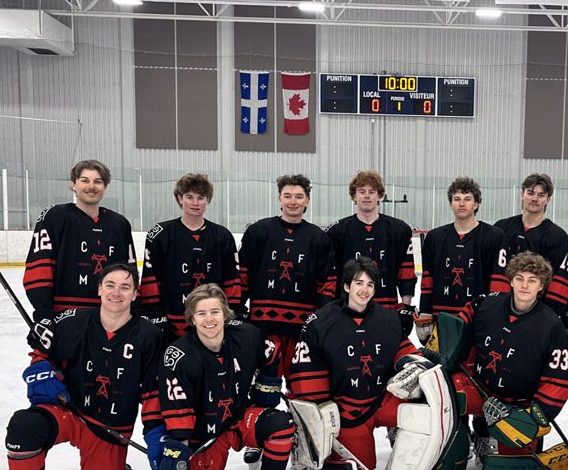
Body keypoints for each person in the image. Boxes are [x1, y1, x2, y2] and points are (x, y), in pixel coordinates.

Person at [3, 263, 163, 470]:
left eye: (125, 287)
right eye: (110, 285)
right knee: (24, 427)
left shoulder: (149, 335)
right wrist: (40, 368)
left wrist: (156, 434)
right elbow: (41, 352)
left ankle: (116, 468)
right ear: (99, 289)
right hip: (70, 413)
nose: (116, 292)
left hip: (109, 429)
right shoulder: (71, 321)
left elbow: (153, 391)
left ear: (135, 294)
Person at [289, 256, 454, 470]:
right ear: (346, 286)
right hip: (346, 412)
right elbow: (305, 371)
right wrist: (320, 414)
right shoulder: (320, 322)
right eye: (358, 283)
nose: (364, 290)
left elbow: (404, 349)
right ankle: (312, 452)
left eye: (369, 285)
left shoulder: (388, 319)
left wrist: (413, 364)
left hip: (380, 398)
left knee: (426, 413)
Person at [154, 284, 296, 470]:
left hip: (239, 419)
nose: (209, 319)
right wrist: (179, 443)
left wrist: (267, 388)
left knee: (281, 424)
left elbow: (271, 352)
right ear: (192, 319)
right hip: (204, 435)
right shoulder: (178, 355)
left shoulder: (247, 335)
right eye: (201, 313)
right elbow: (177, 404)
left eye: (215, 312)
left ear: (225, 314)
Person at [436, 252, 568, 470]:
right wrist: (439, 344)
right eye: (519, 278)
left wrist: (534, 417)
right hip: (481, 392)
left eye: (532, 280)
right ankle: (456, 459)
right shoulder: (487, 304)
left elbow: (559, 380)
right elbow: (458, 326)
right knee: (446, 394)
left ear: (541, 286)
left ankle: (509, 449)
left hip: (517, 408)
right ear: (511, 280)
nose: (524, 285)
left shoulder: (552, 325)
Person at [238, 173, 336, 379]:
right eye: (288, 196)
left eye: (299, 196)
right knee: (265, 386)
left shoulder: (319, 238)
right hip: (263, 325)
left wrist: (320, 319)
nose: (293, 201)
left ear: (307, 201)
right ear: (279, 199)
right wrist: (237, 310)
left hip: (302, 329)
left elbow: (327, 282)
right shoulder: (258, 231)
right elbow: (243, 274)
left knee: (301, 386)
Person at [23, 160, 136, 323]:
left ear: (105, 187)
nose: (92, 186)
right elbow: (39, 268)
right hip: (65, 316)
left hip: (111, 316)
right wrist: (44, 312)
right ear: (74, 185)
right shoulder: (55, 217)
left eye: (98, 181)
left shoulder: (120, 224)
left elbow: (129, 272)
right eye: (85, 180)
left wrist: (134, 310)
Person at [139, 173, 241, 343]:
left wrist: (231, 313)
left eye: (201, 198)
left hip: (211, 323)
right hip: (171, 322)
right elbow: (150, 278)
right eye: (189, 197)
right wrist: (156, 315)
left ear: (208, 200)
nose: (195, 203)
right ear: (180, 198)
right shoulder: (159, 234)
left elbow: (232, 279)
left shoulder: (222, 236)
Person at [416, 176, 509, 344]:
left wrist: (494, 315)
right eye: (456, 199)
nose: (461, 203)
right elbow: (427, 279)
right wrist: (425, 311)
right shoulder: (435, 237)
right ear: (450, 203)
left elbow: (499, 280)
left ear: (476, 204)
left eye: (467, 199)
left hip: (478, 317)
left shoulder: (494, 236)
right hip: (441, 318)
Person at [325, 170, 417, 334]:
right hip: (348, 310)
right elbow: (331, 276)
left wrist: (405, 307)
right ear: (354, 196)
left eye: (372, 192)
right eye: (362, 191)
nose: (366, 196)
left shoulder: (399, 230)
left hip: (386, 310)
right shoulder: (337, 232)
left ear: (380, 196)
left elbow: (406, 273)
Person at [493, 173, 568, 317]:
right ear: (522, 194)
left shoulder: (558, 237)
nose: (535, 198)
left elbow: (560, 282)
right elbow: (492, 269)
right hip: (502, 310)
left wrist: (548, 316)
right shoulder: (501, 228)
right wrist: (496, 305)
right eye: (530, 193)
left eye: (541, 195)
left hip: (538, 314)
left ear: (548, 199)